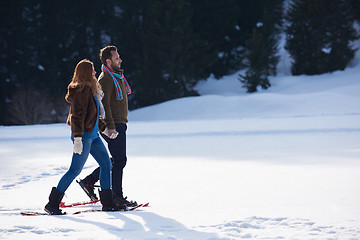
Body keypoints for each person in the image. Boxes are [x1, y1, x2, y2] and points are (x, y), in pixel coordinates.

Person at [44, 59, 126, 215]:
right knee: (75, 170)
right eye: (93, 70)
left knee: (106, 164)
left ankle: (107, 203)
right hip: (84, 137)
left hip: (93, 135)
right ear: (86, 73)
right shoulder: (81, 91)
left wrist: (106, 130)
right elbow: (77, 117)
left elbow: (92, 117)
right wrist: (77, 139)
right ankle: (52, 203)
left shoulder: (91, 89)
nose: (95, 72)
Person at [77, 46, 137, 207]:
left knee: (117, 160)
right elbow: (105, 107)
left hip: (119, 123)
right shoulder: (106, 79)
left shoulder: (117, 77)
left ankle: (89, 182)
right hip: (113, 125)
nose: (121, 60)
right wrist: (111, 127)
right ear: (109, 61)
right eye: (117, 58)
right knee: (119, 160)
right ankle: (117, 196)